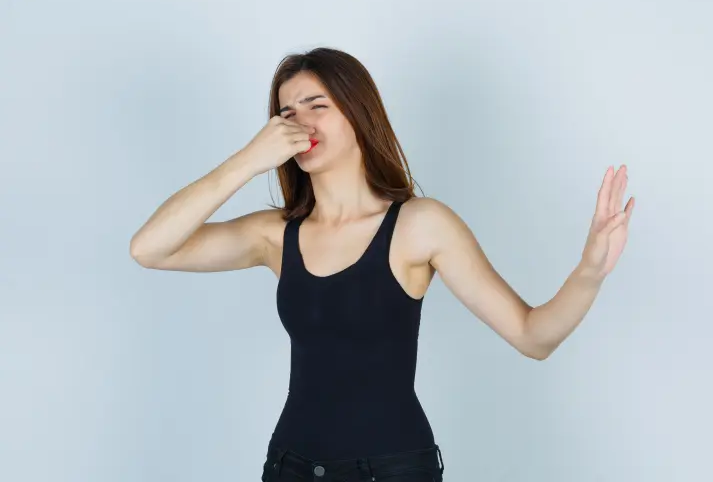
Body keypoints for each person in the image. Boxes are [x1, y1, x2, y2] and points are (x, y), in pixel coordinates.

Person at [130, 47, 634, 481]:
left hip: (391, 470)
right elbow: (149, 248)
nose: (300, 122)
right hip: (289, 467)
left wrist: (589, 272)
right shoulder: (276, 235)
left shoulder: (420, 224)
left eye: (317, 105)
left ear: (357, 113)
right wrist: (247, 160)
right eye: (286, 113)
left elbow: (533, 336)